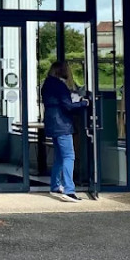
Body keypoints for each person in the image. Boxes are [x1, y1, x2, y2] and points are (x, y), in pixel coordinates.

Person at [41, 61, 88, 202]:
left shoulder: (46, 84)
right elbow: (68, 106)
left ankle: (55, 185)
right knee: (69, 156)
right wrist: (84, 103)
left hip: (51, 122)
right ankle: (69, 190)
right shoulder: (60, 86)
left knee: (59, 157)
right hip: (62, 123)